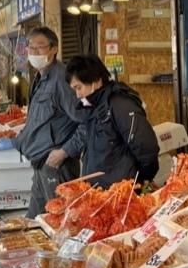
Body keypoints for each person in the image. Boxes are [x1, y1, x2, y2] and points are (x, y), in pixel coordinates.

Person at [0, 26, 85, 218]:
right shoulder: (39, 77)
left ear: (54, 49)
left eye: (40, 47)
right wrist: (16, 142)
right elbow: (37, 121)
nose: (34, 52)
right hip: (40, 164)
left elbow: (86, 122)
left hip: (57, 166)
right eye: (30, 48)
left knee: (61, 222)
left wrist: (64, 152)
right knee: (34, 221)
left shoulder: (62, 80)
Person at [66, 55, 159, 189]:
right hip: (98, 193)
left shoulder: (119, 104)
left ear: (96, 80)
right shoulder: (92, 107)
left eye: (79, 87)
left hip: (120, 195)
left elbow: (146, 147)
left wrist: (143, 179)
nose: (78, 95)